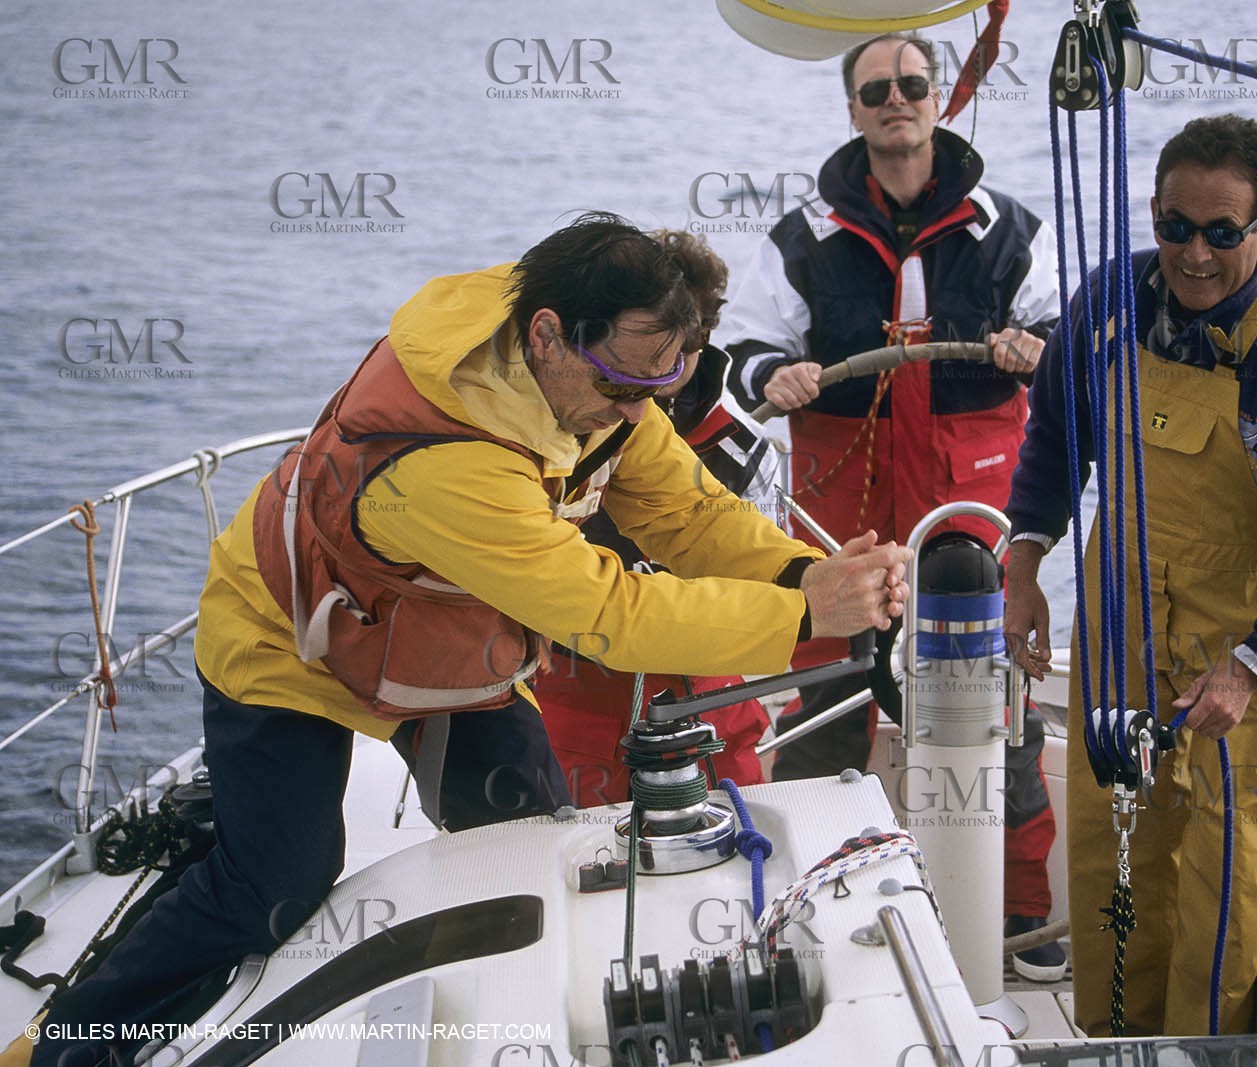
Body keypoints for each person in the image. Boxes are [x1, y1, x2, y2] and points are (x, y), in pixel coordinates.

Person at [31, 214, 910, 1067]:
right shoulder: (448, 460)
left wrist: (803, 574)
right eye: (621, 388)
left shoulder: (592, 375)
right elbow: (608, 613)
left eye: (660, 388)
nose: (636, 412)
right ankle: (68, 1042)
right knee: (275, 884)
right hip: (290, 639)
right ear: (548, 336)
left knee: (531, 838)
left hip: (444, 643)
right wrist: (804, 617)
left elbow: (685, 510)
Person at [1004, 115, 1257, 1034]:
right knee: (1112, 851)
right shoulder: (1108, 301)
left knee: (1230, 880)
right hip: (1122, 617)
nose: (1194, 254)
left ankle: (1201, 1053)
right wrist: (1024, 562)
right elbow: (1054, 441)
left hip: (1250, 646)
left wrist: (1249, 669)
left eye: (1221, 231)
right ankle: (1115, 1044)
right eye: (1175, 226)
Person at [720, 33, 1066, 980]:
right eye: (876, 90)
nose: (896, 100)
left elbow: (1060, 335)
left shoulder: (1007, 230)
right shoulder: (803, 239)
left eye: (912, 84)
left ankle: (1020, 912)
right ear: (853, 110)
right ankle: (801, 906)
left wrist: (1034, 348)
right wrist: (774, 374)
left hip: (970, 521)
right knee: (826, 708)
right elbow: (741, 352)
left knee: (998, 713)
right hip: (844, 524)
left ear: (937, 97)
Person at [537, 229, 776, 803]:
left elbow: (761, 561)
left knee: (740, 822)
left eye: (677, 354)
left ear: (703, 338)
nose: (655, 375)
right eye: (634, 362)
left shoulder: (742, 447)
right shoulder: (554, 426)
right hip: (576, 683)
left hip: (709, 686)